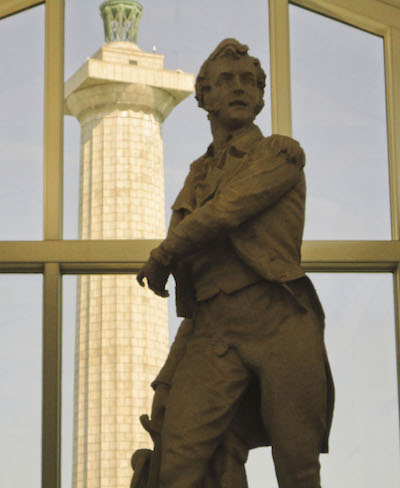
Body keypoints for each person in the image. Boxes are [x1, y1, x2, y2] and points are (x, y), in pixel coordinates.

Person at [135, 38, 334, 488]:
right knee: (175, 466)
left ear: (262, 96)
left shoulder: (281, 153)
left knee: (298, 469)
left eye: (249, 81)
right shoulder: (195, 174)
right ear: (203, 96)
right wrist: (169, 377)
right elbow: (198, 290)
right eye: (226, 80)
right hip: (213, 331)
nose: (240, 88)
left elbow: (227, 211)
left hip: (281, 323)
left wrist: (164, 253)